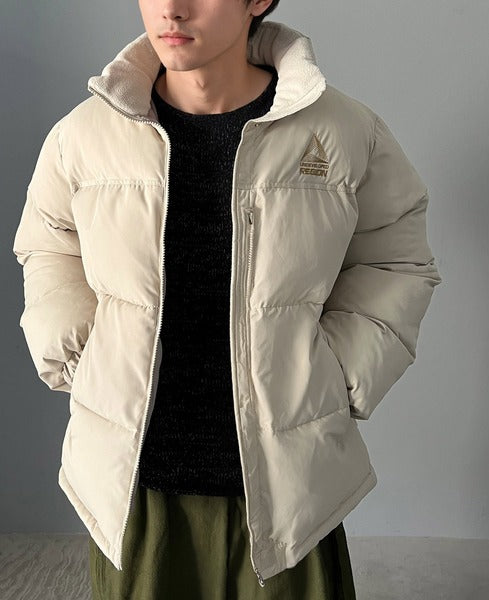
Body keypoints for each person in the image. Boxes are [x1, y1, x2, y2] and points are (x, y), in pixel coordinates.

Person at [12, 0, 442, 598]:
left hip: (291, 492)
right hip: (135, 490)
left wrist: (337, 378)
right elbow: (48, 246)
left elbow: (395, 259)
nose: (171, 9)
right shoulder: (84, 135)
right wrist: (84, 359)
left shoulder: (344, 132)